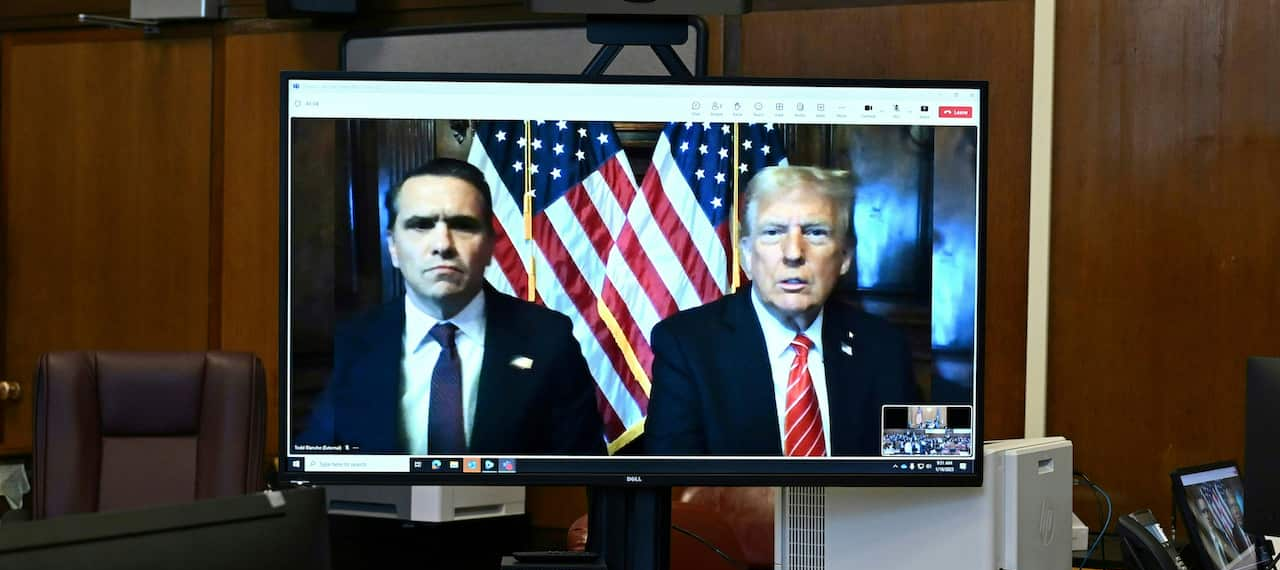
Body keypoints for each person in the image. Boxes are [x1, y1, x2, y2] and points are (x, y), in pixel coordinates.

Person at [298, 157, 605, 455]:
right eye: (421, 225)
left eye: (462, 225)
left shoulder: (549, 340)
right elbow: (319, 468)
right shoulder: (354, 342)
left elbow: (580, 480)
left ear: (489, 247)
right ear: (393, 247)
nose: (443, 245)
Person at [645, 165, 917, 456]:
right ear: (747, 255)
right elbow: (674, 489)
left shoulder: (884, 346)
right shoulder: (686, 346)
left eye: (815, 232)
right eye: (773, 232)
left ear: (845, 256)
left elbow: (916, 470)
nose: (793, 253)